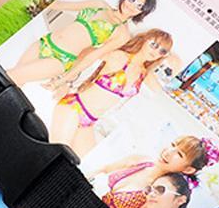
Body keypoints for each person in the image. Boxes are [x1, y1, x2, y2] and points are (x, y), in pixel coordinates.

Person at [50, 29, 174, 157]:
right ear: (144, 39)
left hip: (90, 121)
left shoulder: (144, 73)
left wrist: (167, 58)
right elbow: (86, 55)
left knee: (83, 163)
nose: (156, 51)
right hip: (74, 107)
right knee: (57, 154)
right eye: (154, 44)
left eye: (162, 51)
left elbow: (161, 91)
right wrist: (65, 81)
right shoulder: (120, 56)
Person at [6, 0, 158, 88]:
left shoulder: (122, 33)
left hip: (60, 59)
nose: (132, 5)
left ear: (142, 12)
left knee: (10, 76)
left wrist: (64, 79)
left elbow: (92, 57)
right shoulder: (99, 4)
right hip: (45, 42)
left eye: (139, 6)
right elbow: (63, 5)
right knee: (15, 81)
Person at [95, 136, 219, 208]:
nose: (168, 152)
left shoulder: (160, 196)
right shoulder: (140, 160)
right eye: (173, 145)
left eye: (179, 154)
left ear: (188, 170)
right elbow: (102, 169)